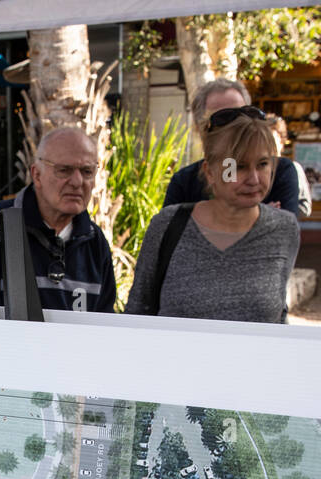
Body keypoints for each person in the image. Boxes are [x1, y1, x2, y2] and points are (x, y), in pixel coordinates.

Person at [125, 107, 299, 323]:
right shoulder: (168, 225)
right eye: (239, 167)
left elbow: (278, 314)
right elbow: (136, 312)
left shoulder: (284, 228)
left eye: (262, 164)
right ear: (210, 172)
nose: (254, 179)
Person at [0, 127, 115, 314]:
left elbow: (105, 325)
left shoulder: (95, 242)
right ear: (36, 175)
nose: (77, 182)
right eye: (64, 170)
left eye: (87, 171)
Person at [164, 78, 302, 217]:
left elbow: (284, 234)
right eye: (223, 119)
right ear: (200, 129)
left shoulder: (280, 171)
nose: (237, 127)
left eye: (244, 115)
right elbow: (169, 235)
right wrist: (260, 220)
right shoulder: (184, 181)